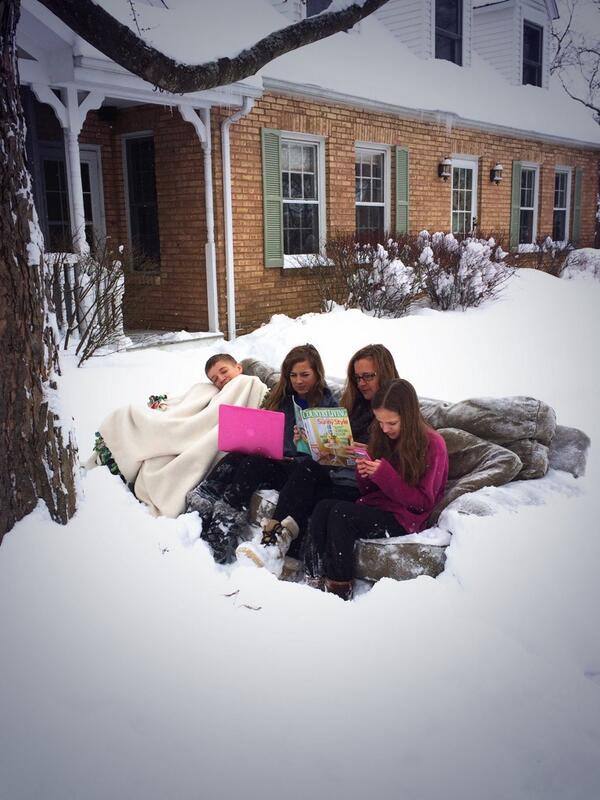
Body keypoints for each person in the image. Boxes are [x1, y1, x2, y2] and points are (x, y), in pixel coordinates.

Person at [236, 344, 400, 574]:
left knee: (308, 487)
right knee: (306, 471)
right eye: (357, 377)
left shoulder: (396, 412)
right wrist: (306, 441)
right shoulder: (354, 406)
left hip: (362, 488)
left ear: (384, 372)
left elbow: (398, 461)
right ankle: (275, 544)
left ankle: (277, 548)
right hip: (338, 475)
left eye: (368, 376)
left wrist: (366, 451)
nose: (361, 383)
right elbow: (331, 454)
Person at [186, 344, 337, 565]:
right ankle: (217, 523)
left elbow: (331, 457)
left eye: (305, 374)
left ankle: (270, 538)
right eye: (293, 375)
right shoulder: (282, 398)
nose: (298, 380)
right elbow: (272, 433)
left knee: (299, 468)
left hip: (309, 471)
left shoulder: (329, 405)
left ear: (317, 374)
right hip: (281, 463)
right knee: (246, 461)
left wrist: (304, 444)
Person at [305, 379, 449, 600]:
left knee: (341, 514)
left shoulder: (433, 444)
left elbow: (422, 503)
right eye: (381, 422)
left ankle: (339, 588)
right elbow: (369, 492)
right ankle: (313, 577)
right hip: (378, 506)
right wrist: (364, 472)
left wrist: (383, 474)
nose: (385, 428)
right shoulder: (382, 435)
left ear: (408, 416)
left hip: (406, 517)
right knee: (323, 507)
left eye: (392, 423)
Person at [86, 352, 267, 518]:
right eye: (215, 378)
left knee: (170, 461)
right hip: (195, 432)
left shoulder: (248, 382)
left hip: (213, 438)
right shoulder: (210, 390)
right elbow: (192, 409)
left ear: (238, 368)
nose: (221, 379)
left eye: (224, 371)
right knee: (155, 451)